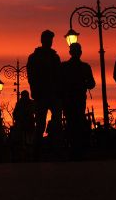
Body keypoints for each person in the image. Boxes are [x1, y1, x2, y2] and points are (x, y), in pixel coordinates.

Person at [26, 29, 62, 160]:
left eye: (51, 39)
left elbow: (59, 76)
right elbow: (31, 76)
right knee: (40, 124)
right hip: (42, 94)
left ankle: (56, 150)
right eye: (48, 39)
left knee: (57, 123)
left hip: (54, 94)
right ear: (42, 40)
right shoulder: (34, 57)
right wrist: (35, 91)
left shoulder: (54, 57)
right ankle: (37, 152)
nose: (50, 42)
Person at [60, 43, 96, 160]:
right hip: (77, 99)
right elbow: (92, 84)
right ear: (80, 52)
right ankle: (77, 148)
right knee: (77, 121)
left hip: (70, 99)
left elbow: (58, 82)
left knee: (71, 122)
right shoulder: (85, 67)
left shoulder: (64, 66)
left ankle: (73, 148)